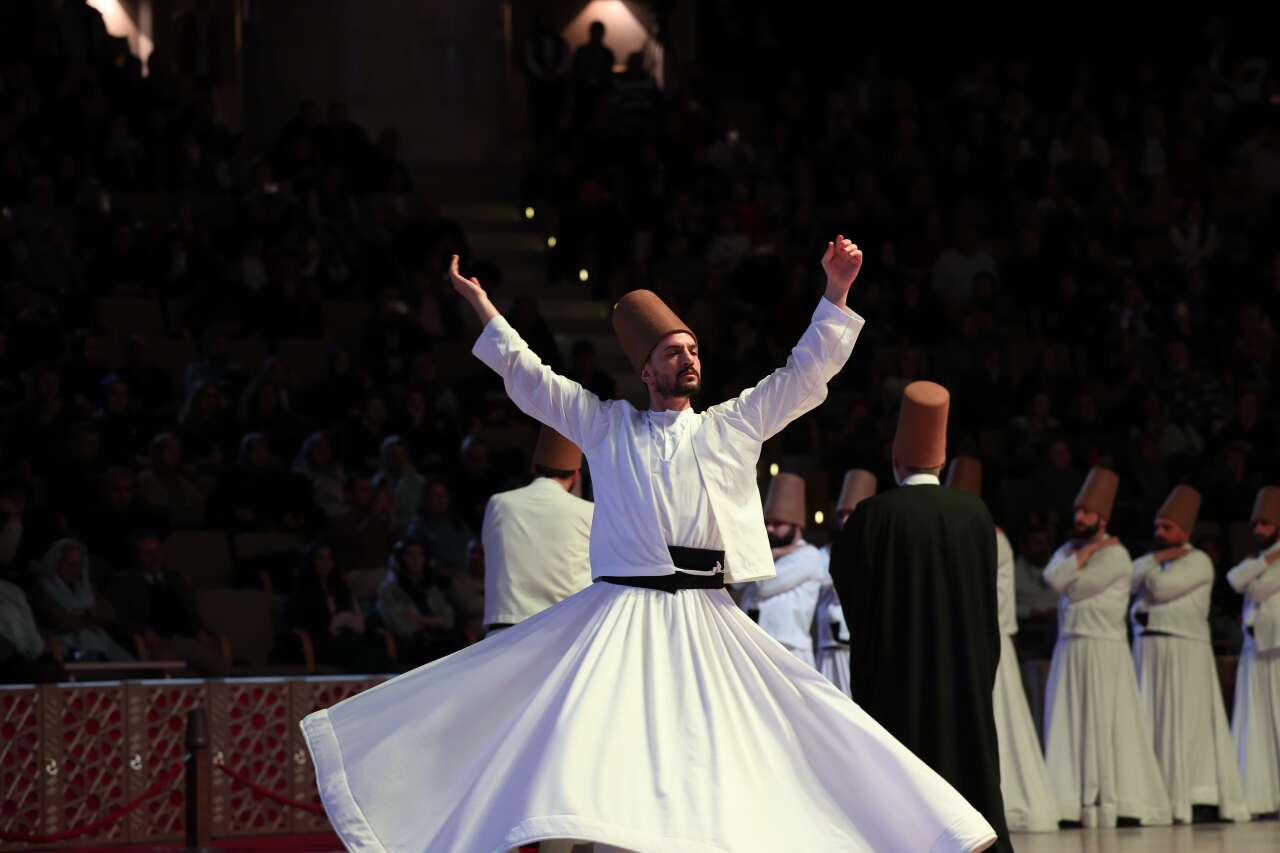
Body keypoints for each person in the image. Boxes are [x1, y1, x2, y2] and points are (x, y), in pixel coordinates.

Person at [302, 239, 1000, 852]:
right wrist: (484, 306)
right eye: (675, 352)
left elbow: (801, 376)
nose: (690, 358)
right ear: (646, 369)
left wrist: (836, 293)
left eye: (694, 348)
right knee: (613, 756)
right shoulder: (608, 427)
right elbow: (530, 379)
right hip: (622, 613)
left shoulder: (729, 426)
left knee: (776, 731)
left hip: (706, 615)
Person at [832, 383, 1011, 852]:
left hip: (897, 677)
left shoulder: (873, 516)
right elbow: (984, 600)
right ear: (940, 459)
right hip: (961, 676)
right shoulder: (974, 514)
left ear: (896, 461)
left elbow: (848, 587)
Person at [1041, 467, 1172, 827]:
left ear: (1103, 518)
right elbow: (1053, 581)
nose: (1079, 518)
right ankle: (1070, 802)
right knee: (1069, 722)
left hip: (1103, 648)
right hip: (1071, 646)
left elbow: (1078, 589)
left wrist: (1080, 563)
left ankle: (1114, 801)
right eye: (1077, 512)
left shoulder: (1118, 556)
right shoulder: (1072, 549)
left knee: (1105, 724)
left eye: (1086, 513)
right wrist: (1083, 554)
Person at [945, 456, 1059, 833]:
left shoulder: (991, 537)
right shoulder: (974, 533)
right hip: (969, 641)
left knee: (998, 719)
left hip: (989, 642)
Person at [1129, 484, 1248, 822]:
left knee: (1187, 723)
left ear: (1185, 531)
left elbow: (1163, 589)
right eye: (1157, 527)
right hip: (1148, 650)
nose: (1159, 533)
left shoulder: (1199, 561)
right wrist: (1159, 559)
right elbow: (1130, 576)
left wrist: (1152, 570)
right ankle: (1155, 795)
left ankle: (1195, 795)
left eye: (1167, 528)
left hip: (1184, 651)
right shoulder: (1153, 560)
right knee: (1150, 720)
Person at [480, 426, 593, 633]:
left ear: (534, 467)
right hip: (564, 630)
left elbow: (489, 554)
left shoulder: (500, 504)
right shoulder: (588, 512)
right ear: (576, 476)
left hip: (505, 629)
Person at [106, 530, 228, 676]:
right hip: (157, 645)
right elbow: (119, 618)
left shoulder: (175, 578)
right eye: (147, 553)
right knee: (184, 676)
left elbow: (190, 612)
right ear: (136, 556)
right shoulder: (125, 582)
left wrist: (200, 632)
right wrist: (142, 631)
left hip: (185, 640)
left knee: (221, 668)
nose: (155, 557)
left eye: (157, 551)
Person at [1226, 485, 1280, 817]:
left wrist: (1260, 570)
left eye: (1265, 524)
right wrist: (1268, 559)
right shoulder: (1260, 559)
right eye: (1255, 525)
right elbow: (1235, 579)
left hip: (1277, 647)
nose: (1259, 530)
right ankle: (1263, 795)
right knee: (1256, 723)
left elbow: (1259, 588)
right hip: (1255, 648)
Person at [740, 472, 826, 667]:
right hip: (754, 644)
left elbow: (764, 584)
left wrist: (772, 553)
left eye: (777, 523)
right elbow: (737, 582)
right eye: (768, 523)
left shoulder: (808, 555)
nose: (770, 529)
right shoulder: (770, 552)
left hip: (788, 650)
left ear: (796, 526)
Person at [815, 469, 875, 695]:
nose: (845, 519)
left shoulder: (874, 552)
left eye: (850, 513)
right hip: (828, 641)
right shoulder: (825, 553)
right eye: (841, 514)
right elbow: (822, 577)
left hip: (857, 641)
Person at [35, 538, 133, 662]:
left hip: (101, 643)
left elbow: (109, 614)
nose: (76, 570)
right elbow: (62, 622)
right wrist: (92, 617)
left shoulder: (86, 587)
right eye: (70, 565)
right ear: (57, 563)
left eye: (78, 565)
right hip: (65, 648)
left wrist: (83, 613)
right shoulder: (43, 589)